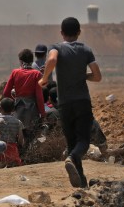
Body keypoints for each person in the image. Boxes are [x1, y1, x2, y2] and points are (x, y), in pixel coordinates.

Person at [38, 17, 102, 189]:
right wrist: (84, 76)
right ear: (79, 32)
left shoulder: (56, 47)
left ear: (61, 33)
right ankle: (73, 160)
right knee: (84, 141)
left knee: (72, 143)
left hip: (64, 103)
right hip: (82, 100)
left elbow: (51, 60)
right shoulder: (86, 50)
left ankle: (81, 183)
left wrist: (44, 79)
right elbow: (97, 76)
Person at [3, 49, 45, 139]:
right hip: (32, 110)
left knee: (18, 134)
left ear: (21, 61)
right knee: (32, 136)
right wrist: (43, 113)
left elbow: (6, 92)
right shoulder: (37, 74)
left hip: (18, 108)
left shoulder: (15, 72)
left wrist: (15, 101)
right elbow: (39, 96)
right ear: (31, 60)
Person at [0, 97, 25, 167]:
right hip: (12, 152)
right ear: (13, 109)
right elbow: (20, 140)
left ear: (1, 108)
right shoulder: (18, 122)